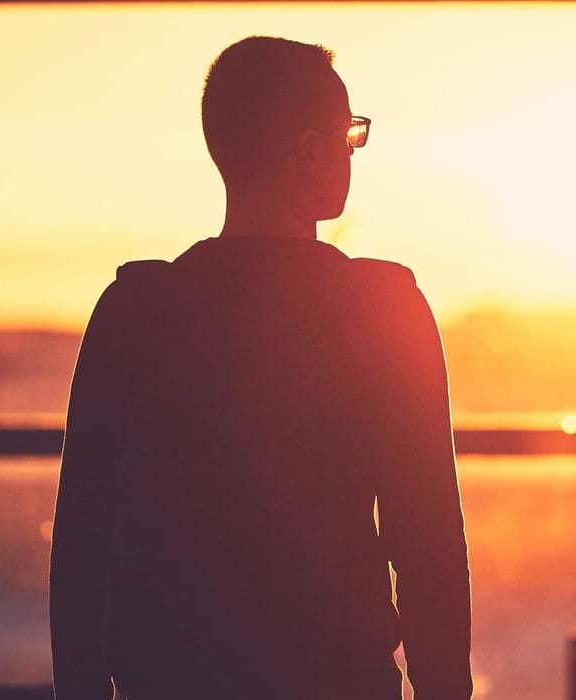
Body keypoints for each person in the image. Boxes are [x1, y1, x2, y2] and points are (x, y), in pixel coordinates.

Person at [50, 36, 472, 700]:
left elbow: (83, 544)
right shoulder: (385, 313)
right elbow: (429, 547)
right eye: (347, 136)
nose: (352, 151)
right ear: (308, 150)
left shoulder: (134, 313)